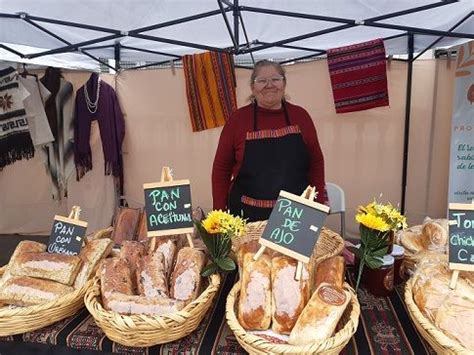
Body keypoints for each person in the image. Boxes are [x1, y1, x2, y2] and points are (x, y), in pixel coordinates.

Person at [212, 60, 327, 222]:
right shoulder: (237, 120)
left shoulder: (301, 116)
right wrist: (219, 213)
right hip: (247, 216)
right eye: (261, 81)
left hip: (294, 216)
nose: (269, 85)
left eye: (275, 79)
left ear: (284, 83)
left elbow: (316, 163)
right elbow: (221, 169)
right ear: (252, 87)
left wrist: (318, 205)